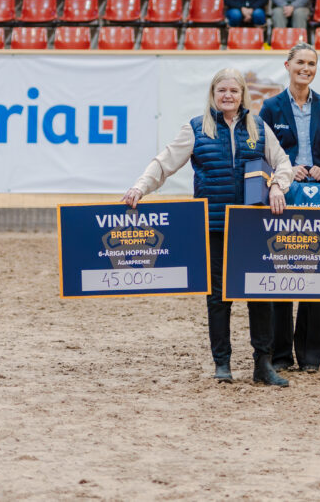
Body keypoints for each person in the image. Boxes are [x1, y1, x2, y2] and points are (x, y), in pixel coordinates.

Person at [122, 68, 293, 386]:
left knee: (259, 295)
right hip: (213, 227)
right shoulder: (196, 128)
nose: (228, 95)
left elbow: (282, 162)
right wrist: (139, 188)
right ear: (213, 95)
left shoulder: (258, 127)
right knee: (218, 297)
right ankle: (222, 364)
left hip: (252, 226)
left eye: (234, 90)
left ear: (243, 95)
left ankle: (263, 364)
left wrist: (277, 186)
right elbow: (164, 163)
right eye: (221, 90)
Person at [260, 42, 320, 373]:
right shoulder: (270, 107)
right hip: (283, 197)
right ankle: (280, 356)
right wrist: (285, 171)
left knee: (315, 273)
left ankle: (311, 356)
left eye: (311, 63)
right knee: (283, 272)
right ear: (287, 65)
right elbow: (260, 155)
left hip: (318, 198)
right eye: (300, 62)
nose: (306, 68)